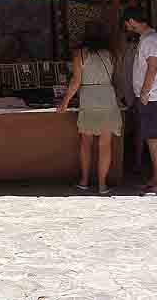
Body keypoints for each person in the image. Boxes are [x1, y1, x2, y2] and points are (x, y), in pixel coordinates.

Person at [58, 26, 122, 195]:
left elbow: (76, 81)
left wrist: (65, 101)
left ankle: (84, 181)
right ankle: (102, 185)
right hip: (108, 97)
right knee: (105, 145)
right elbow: (116, 78)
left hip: (89, 98)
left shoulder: (80, 54)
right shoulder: (112, 55)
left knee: (86, 143)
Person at [123, 7, 157, 195]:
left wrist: (144, 92)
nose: (126, 27)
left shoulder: (150, 40)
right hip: (150, 97)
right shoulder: (148, 39)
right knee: (151, 139)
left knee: (155, 140)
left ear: (132, 21)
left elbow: (152, 68)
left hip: (150, 98)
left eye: (127, 23)